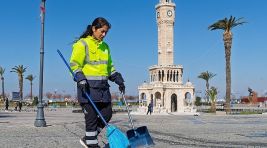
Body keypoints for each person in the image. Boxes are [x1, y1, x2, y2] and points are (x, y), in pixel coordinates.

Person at [70, 17, 125, 148]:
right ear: (94, 29)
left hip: (103, 90)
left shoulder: (105, 47)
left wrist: (118, 78)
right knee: (91, 120)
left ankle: (89, 138)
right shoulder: (82, 44)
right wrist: (80, 78)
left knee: (107, 114)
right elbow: (74, 64)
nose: (104, 34)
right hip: (87, 89)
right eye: (102, 31)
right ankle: (92, 144)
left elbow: (109, 67)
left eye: (106, 32)